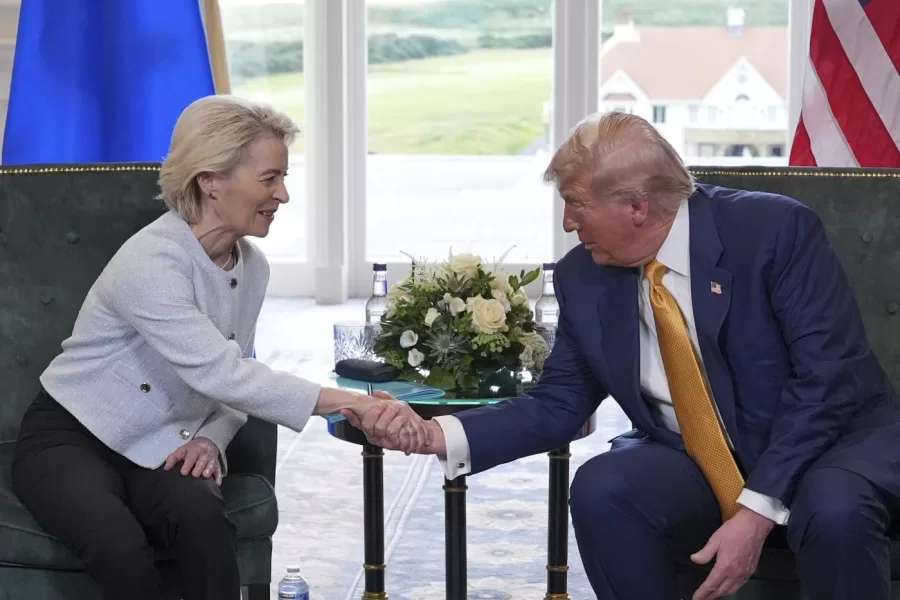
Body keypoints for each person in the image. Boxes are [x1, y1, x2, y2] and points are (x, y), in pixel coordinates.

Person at [348, 112, 900, 600]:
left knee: (836, 512)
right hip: (696, 455)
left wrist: (757, 510)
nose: (568, 223)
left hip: (829, 443)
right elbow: (561, 401)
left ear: (637, 205)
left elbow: (826, 384)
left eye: (576, 204)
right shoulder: (583, 275)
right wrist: (437, 434)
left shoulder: (775, 231)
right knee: (603, 487)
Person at [11, 95, 431, 600]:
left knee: (203, 518)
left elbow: (237, 374)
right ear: (210, 180)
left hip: (164, 438)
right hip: (71, 436)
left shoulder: (251, 266)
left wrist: (211, 438)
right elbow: (222, 374)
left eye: (283, 178)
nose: (282, 195)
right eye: (270, 178)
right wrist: (353, 402)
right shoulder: (153, 261)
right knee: (118, 546)